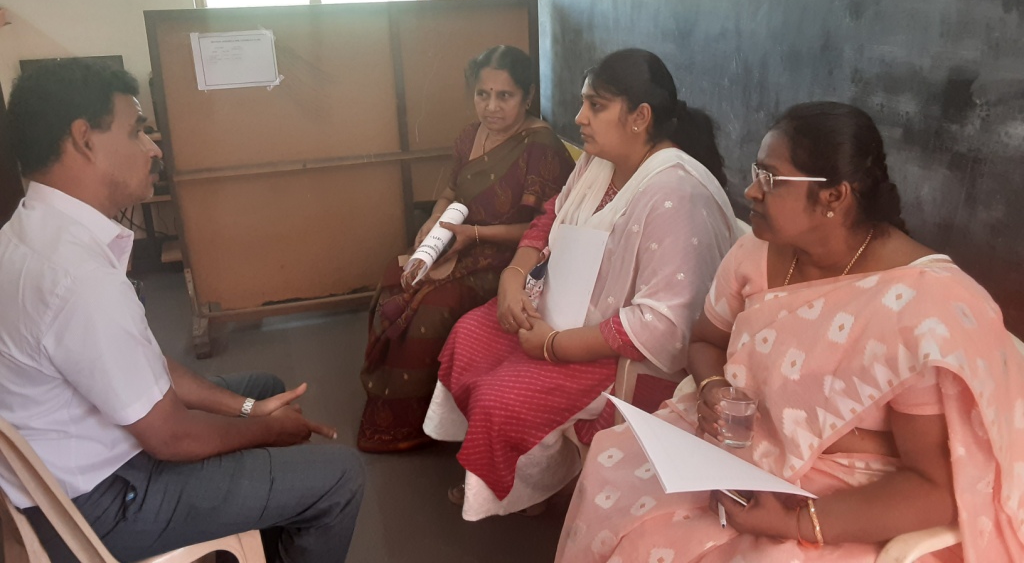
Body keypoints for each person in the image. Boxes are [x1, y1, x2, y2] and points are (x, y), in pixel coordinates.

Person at [556, 102, 1024, 562]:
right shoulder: (755, 254)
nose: (750, 191)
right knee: (613, 468)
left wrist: (798, 524)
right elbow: (703, 341)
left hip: (847, 492)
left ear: (834, 197)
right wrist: (714, 386)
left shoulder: (921, 307)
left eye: (770, 179)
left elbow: (932, 488)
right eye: (757, 173)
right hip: (735, 451)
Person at [0, 61, 364, 562]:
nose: (154, 149)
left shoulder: (27, 231)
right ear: (84, 139)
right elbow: (169, 436)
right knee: (340, 477)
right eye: (137, 132)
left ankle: (267, 523)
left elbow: (144, 362)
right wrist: (265, 429)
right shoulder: (75, 277)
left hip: (72, 469)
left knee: (262, 388)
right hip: (104, 503)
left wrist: (249, 412)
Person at [423, 49, 738, 519]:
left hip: (615, 354)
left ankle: (532, 487)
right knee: (469, 334)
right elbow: (552, 214)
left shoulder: (675, 195)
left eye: (595, 105)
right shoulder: (600, 162)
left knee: (501, 397)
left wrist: (553, 346)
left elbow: (663, 326)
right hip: (558, 310)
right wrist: (514, 275)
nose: (579, 118)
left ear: (640, 117)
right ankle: (536, 476)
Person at [358, 45, 574, 453]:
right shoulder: (469, 135)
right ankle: (395, 409)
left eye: (504, 96)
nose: (491, 107)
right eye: (482, 94)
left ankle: (421, 420)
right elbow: (453, 190)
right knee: (396, 274)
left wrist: (473, 235)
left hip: (509, 257)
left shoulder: (539, 147)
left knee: (433, 303)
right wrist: (432, 223)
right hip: (460, 238)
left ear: (527, 96)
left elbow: (542, 229)